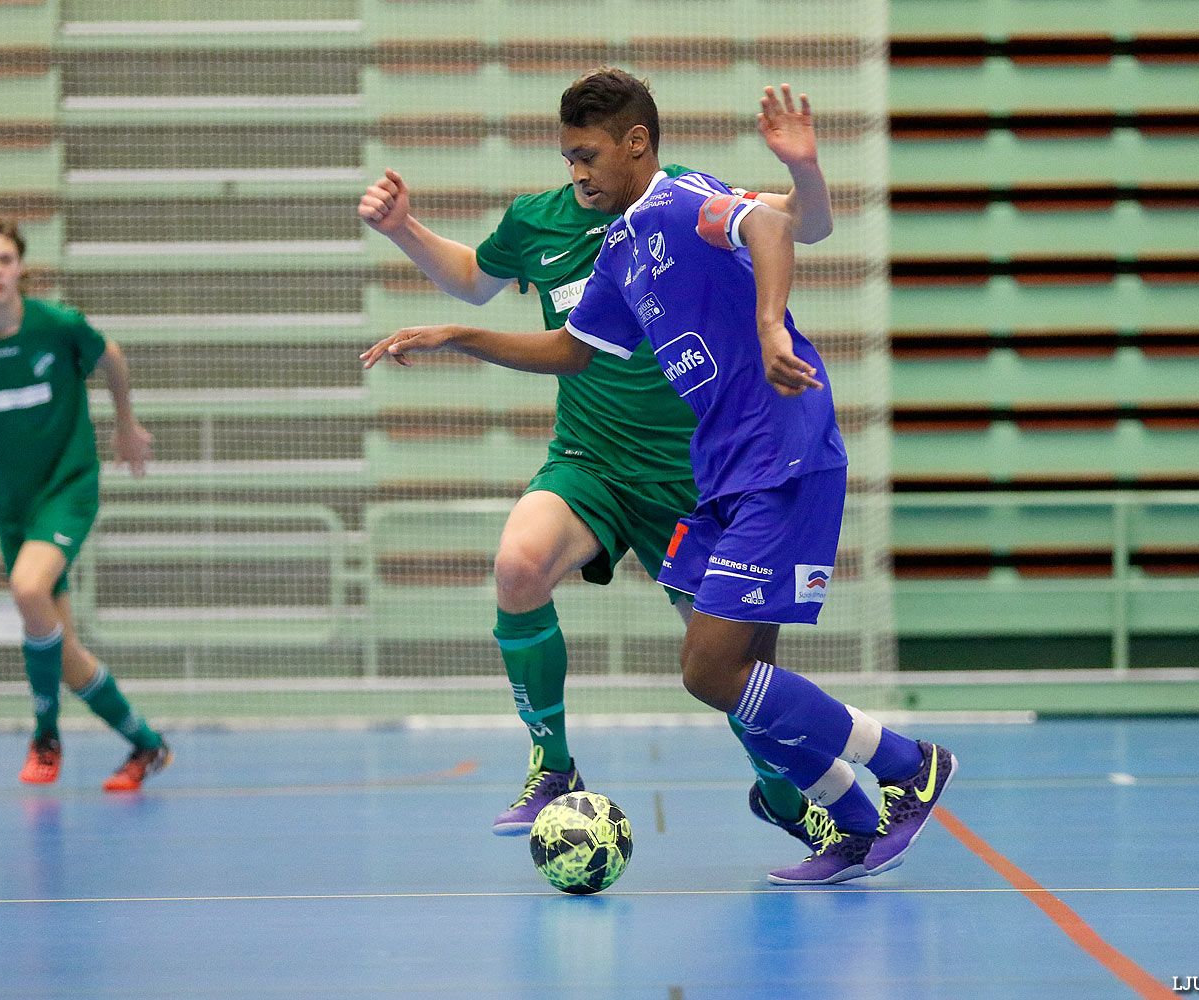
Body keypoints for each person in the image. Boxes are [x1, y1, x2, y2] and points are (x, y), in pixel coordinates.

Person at [360, 69, 956, 885]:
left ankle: (910, 764)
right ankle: (849, 819)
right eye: (568, 158)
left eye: (588, 155)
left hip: (779, 453)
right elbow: (573, 350)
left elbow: (776, 230)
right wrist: (461, 335)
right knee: (734, 671)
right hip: (723, 472)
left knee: (712, 670)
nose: (577, 173)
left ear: (635, 144)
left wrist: (772, 322)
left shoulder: (679, 202)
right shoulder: (618, 251)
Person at [0, 219, 170, 791]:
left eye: (5, 260)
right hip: (12, 505)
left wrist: (126, 425)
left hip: (68, 487)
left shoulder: (56, 326)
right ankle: (147, 745)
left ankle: (45, 736)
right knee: (62, 650)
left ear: (20, 269)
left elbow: (110, 356)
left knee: (29, 590)